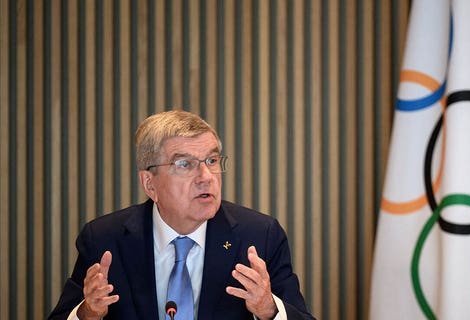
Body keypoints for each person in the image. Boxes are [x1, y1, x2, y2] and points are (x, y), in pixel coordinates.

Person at [48, 110, 315, 320]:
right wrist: (87, 314)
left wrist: (269, 310)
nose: (206, 178)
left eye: (211, 161)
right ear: (150, 184)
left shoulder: (260, 236)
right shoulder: (104, 240)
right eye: (185, 164)